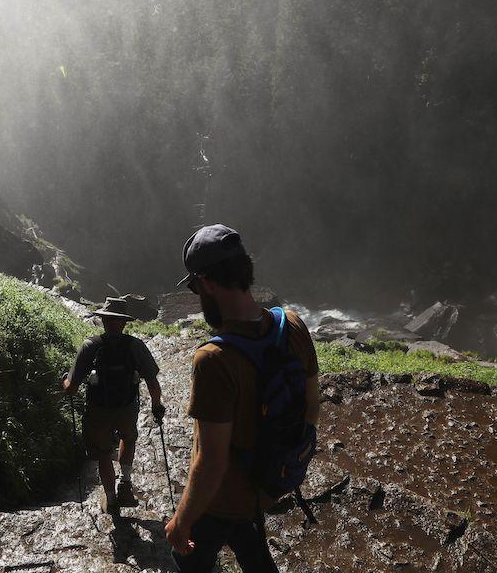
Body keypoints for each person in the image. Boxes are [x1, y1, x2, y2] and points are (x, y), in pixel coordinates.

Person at [164, 225, 321, 573]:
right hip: (267, 484)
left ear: (205, 284)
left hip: (222, 500)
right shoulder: (293, 324)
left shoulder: (213, 360)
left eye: (194, 287)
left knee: (186, 557)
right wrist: (289, 462)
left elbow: (211, 463)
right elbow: (312, 406)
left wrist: (181, 520)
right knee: (252, 549)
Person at [63, 297, 165, 514]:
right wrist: (157, 406)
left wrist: (64, 379)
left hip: (98, 410)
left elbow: (71, 388)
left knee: (103, 452)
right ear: (124, 322)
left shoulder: (90, 345)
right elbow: (153, 382)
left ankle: (110, 500)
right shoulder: (136, 346)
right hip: (127, 407)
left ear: (103, 320)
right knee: (128, 439)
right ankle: (125, 484)